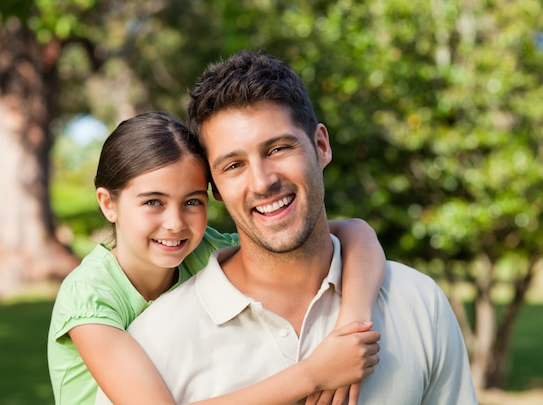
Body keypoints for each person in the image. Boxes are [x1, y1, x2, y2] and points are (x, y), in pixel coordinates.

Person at [96, 51, 478, 405]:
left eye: (278, 148)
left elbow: (358, 231)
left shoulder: (418, 303)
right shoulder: (152, 343)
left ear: (321, 146)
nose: (262, 182)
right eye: (233, 165)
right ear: (214, 187)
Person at [48, 111, 385, 405]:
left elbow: (355, 232)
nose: (175, 223)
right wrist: (315, 373)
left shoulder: (203, 250)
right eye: (153, 202)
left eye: (192, 201)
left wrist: (351, 325)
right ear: (108, 204)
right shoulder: (89, 297)